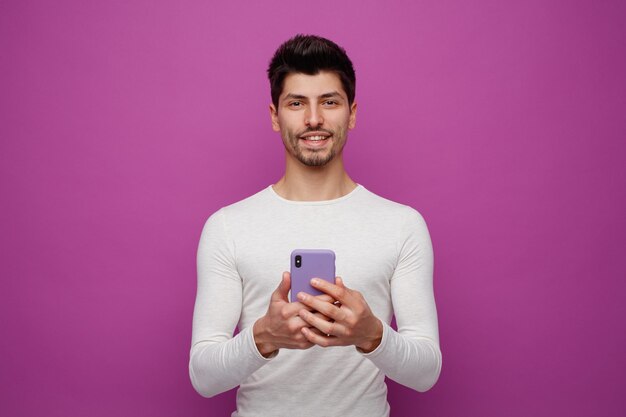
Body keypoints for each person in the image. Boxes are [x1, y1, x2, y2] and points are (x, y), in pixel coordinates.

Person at [189, 34, 442, 417]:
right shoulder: (227, 227)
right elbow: (203, 377)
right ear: (275, 116)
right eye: (296, 103)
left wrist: (372, 335)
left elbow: (426, 372)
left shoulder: (402, 225)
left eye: (329, 102)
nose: (313, 119)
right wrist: (263, 337)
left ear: (352, 113)